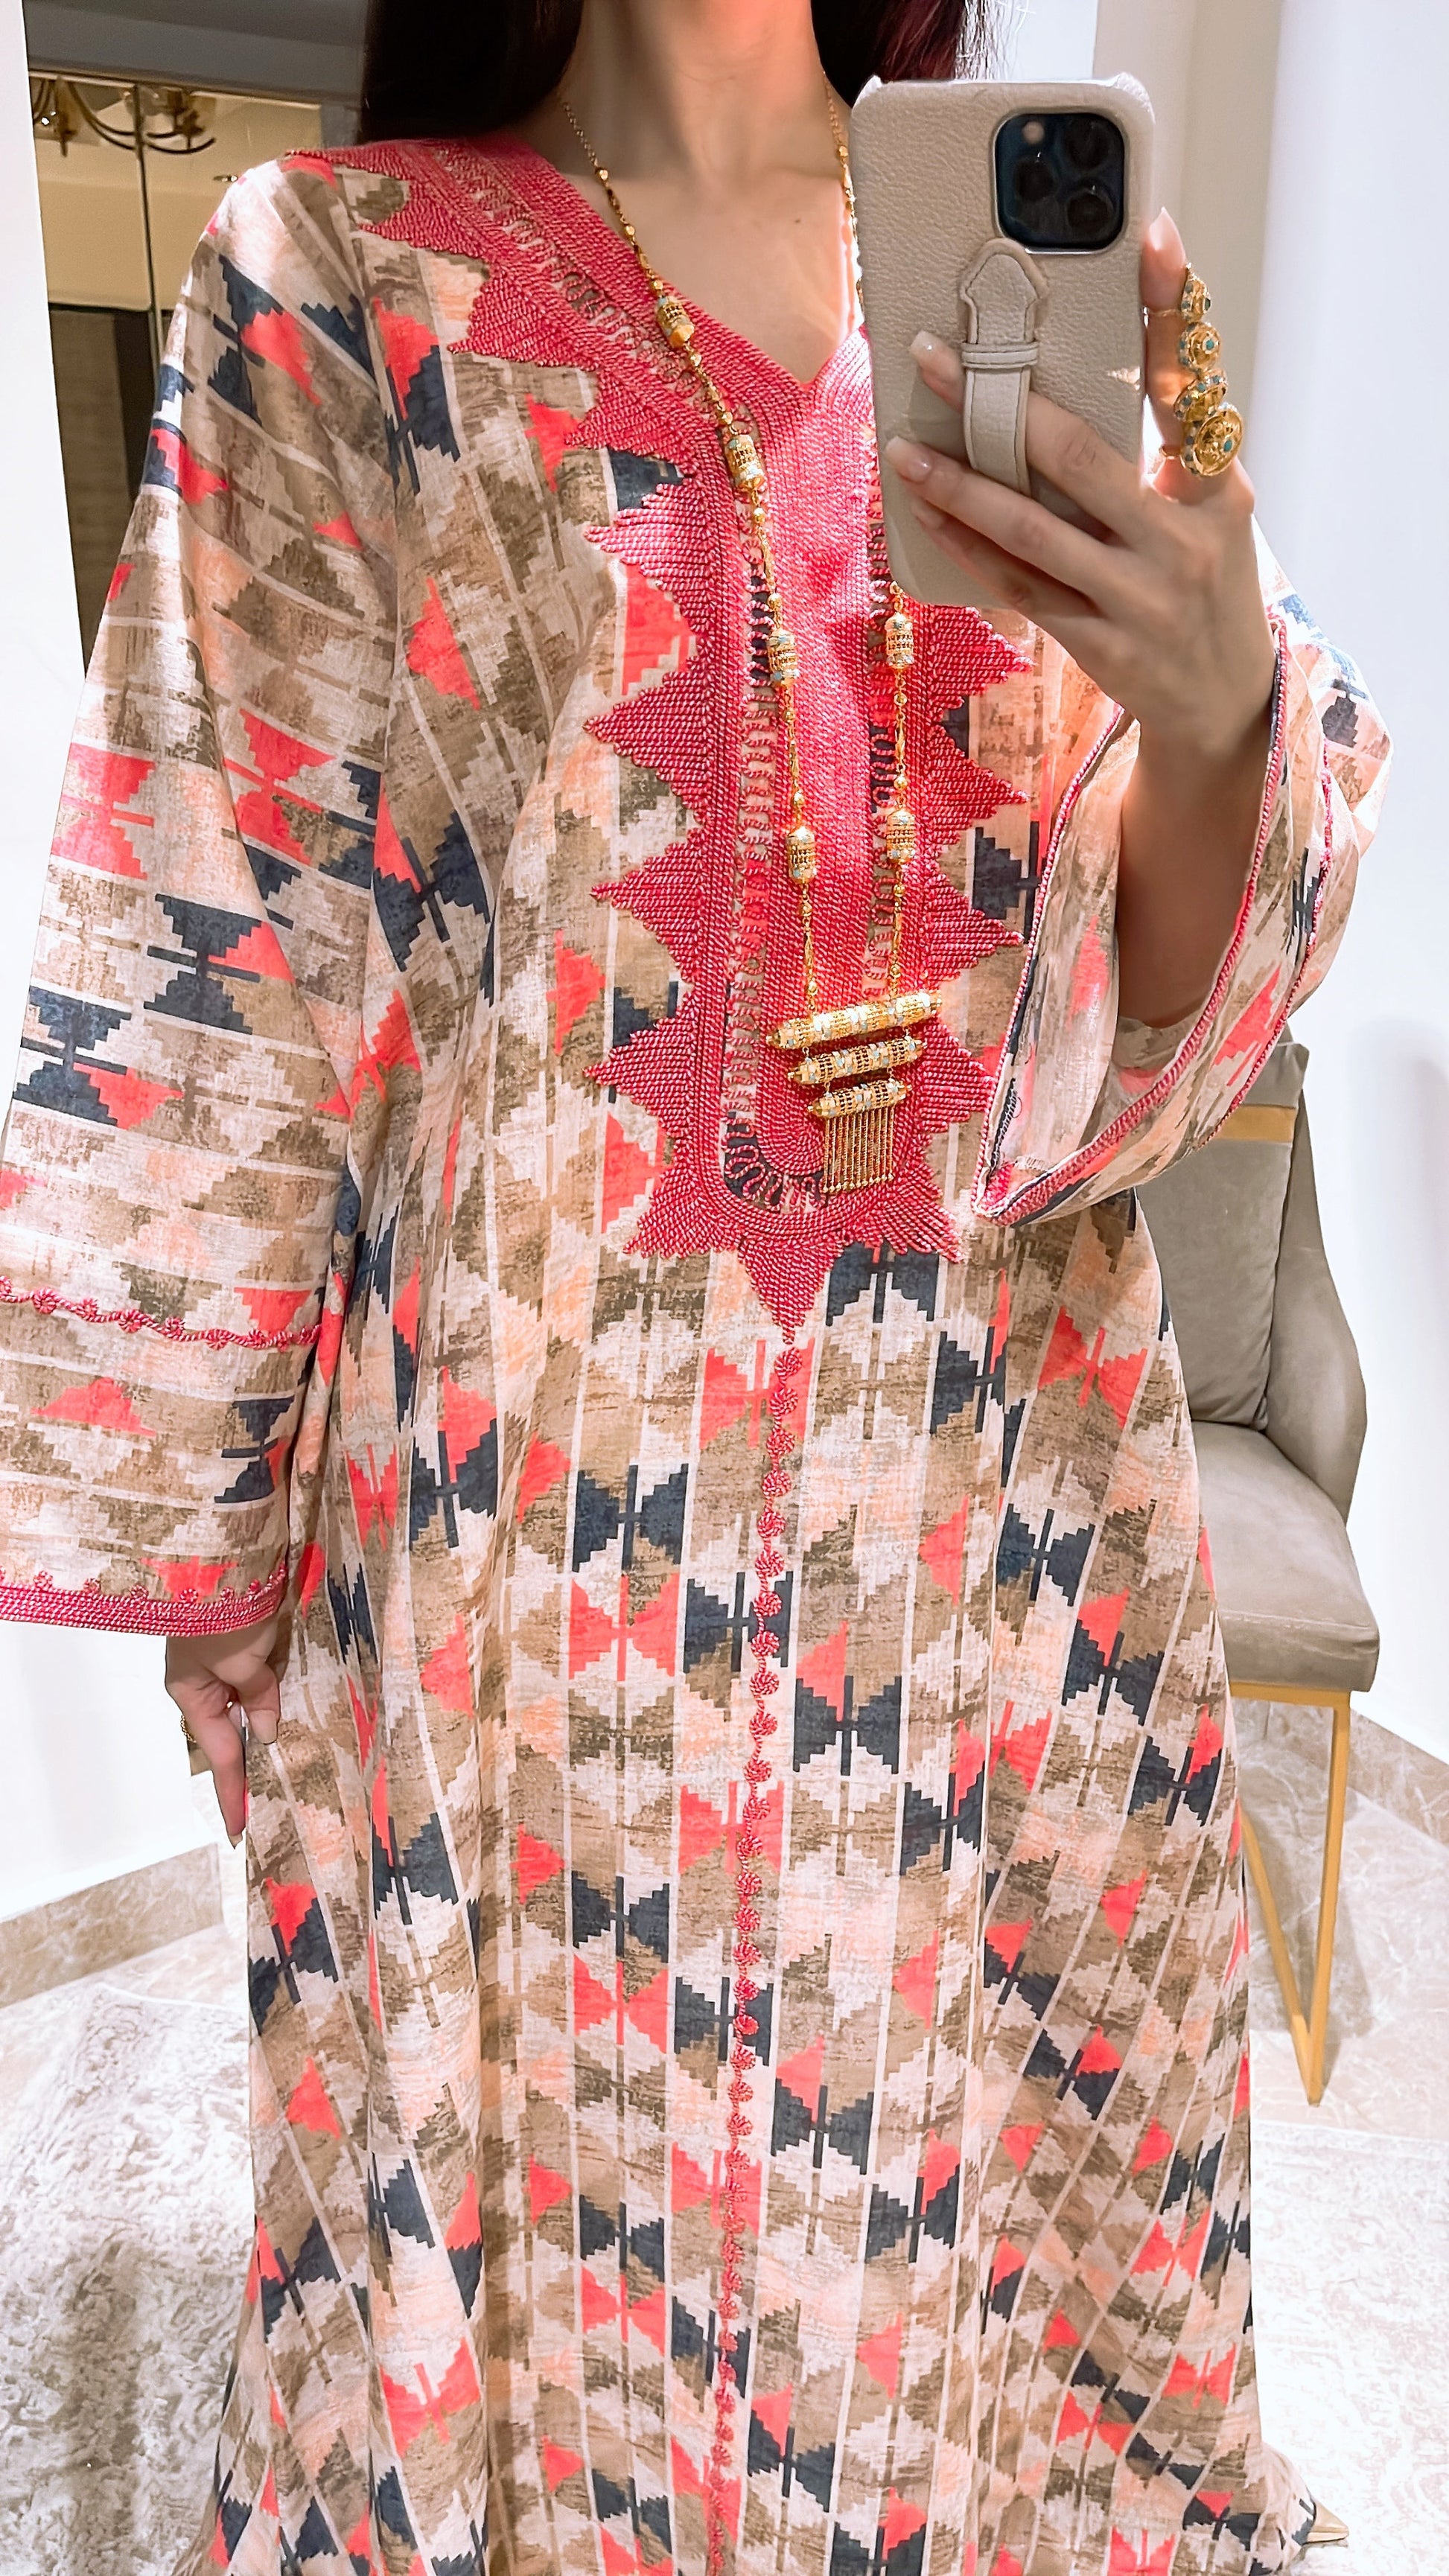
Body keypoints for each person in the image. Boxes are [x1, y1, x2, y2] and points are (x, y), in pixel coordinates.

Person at [0, 1, 1387, 2569]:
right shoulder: (336, 279)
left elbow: (1170, 978)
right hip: (527, 1568)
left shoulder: (1046, 286)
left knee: (954, 2278)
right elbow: (225, 918)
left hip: (995, 1537)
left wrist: (1214, 712)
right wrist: (213, 1557)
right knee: (536, 2273)